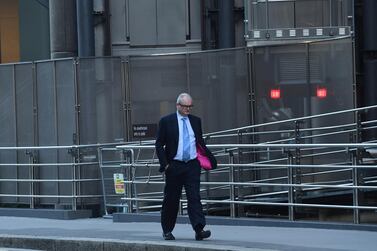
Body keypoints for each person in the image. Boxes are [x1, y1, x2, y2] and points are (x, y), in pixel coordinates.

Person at [155, 93, 217, 241]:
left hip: (192, 165)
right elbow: (159, 144)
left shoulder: (196, 121)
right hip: (174, 166)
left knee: (194, 197)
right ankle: (167, 230)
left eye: (190, 106)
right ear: (178, 106)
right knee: (171, 199)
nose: (188, 109)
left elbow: (200, 142)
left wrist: (205, 158)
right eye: (185, 106)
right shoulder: (166, 121)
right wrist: (166, 165)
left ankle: (199, 229)